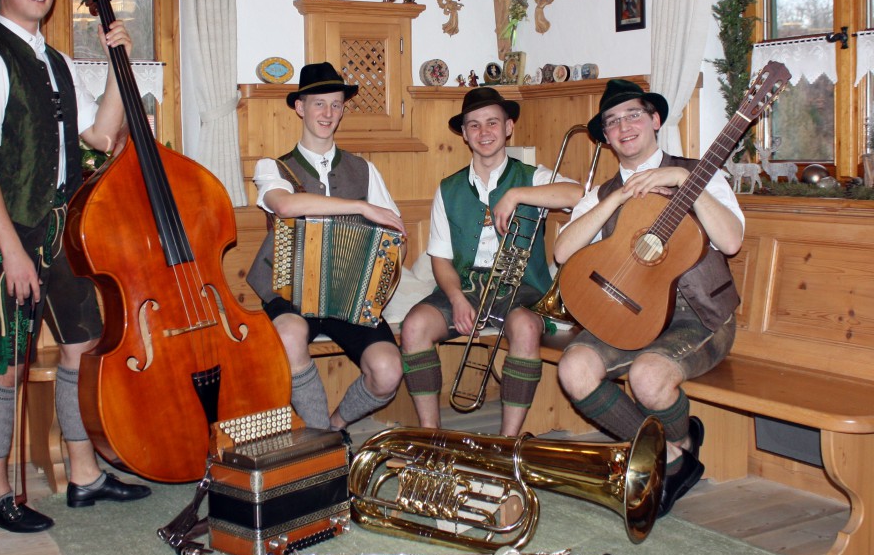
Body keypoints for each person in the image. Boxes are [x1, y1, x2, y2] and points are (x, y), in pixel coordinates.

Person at [0, 0, 151, 533]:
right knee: (6, 362)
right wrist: (12, 251)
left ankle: (84, 475)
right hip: (6, 235)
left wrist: (118, 65)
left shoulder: (57, 61)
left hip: (62, 232)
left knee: (81, 347)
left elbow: (102, 136)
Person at [553, 79, 744, 516]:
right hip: (629, 312)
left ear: (656, 120)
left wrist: (684, 180)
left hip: (699, 315)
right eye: (612, 121)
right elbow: (562, 251)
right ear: (605, 137)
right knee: (574, 368)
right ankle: (673, 456)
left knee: (648, 378)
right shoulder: (602, 193)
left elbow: (731, 241)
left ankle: (674, 444)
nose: (624, 127)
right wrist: (617, 198)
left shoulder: (700, 173)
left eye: (634, 115)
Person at [398, 87, 583, 436]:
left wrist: (516, 195)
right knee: (414, 326)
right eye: (474, 125)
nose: (484, 132)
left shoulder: (532, 177)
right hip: (467, 285)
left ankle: (507, 441)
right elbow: (440, 258)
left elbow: (578, 195)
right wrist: (456, 298)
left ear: (508, 127)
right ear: (465, 134)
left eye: (492, 123)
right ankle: (430, 434)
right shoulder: (448, 189)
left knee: (526, 328)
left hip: (521, 287)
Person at [246, 62, 406, 434]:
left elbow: (395, 235)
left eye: (335, 104)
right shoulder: (273, 167)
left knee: (387, 370)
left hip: (348, 296)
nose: (328, 113)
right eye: (318, 103)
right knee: (288, 335)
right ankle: (322, 442)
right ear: (299, 107)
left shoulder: (364, 169)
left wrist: (380, 279)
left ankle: (334, 426)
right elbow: (285, 206)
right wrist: (361, 207)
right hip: (289, 293)